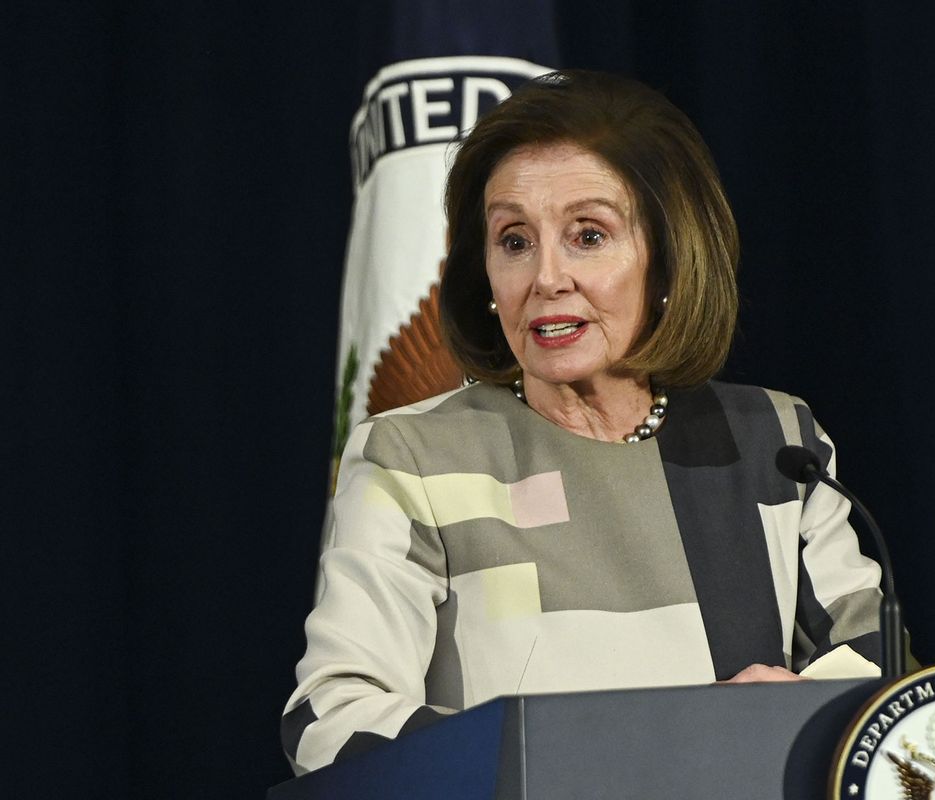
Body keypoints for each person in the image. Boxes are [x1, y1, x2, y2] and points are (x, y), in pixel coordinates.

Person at [282, 70, 885, 775]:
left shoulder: (773, 442)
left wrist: (785, 719)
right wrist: (589, 760)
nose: (546, 277)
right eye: (513, 240)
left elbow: (877, 672)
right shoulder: (414, 456)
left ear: (667, 257)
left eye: (588, 235)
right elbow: (333, 716)